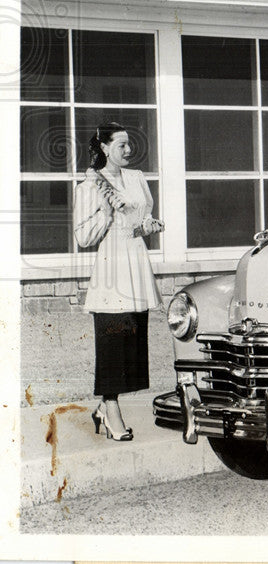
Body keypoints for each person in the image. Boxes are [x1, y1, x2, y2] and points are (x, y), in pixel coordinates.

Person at [73, 122, 164, 441]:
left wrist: (148, 227)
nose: (129, 150)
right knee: (112, 340)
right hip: (111, 269)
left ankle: (103, 406)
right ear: (104, 148)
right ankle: (111, 412)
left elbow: (139, 223)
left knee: (132, 342)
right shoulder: (90, 186)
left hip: (136, 264)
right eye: (122, 145)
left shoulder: (137, 178)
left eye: (129, 145)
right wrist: (106, 213)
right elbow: (83, 237)